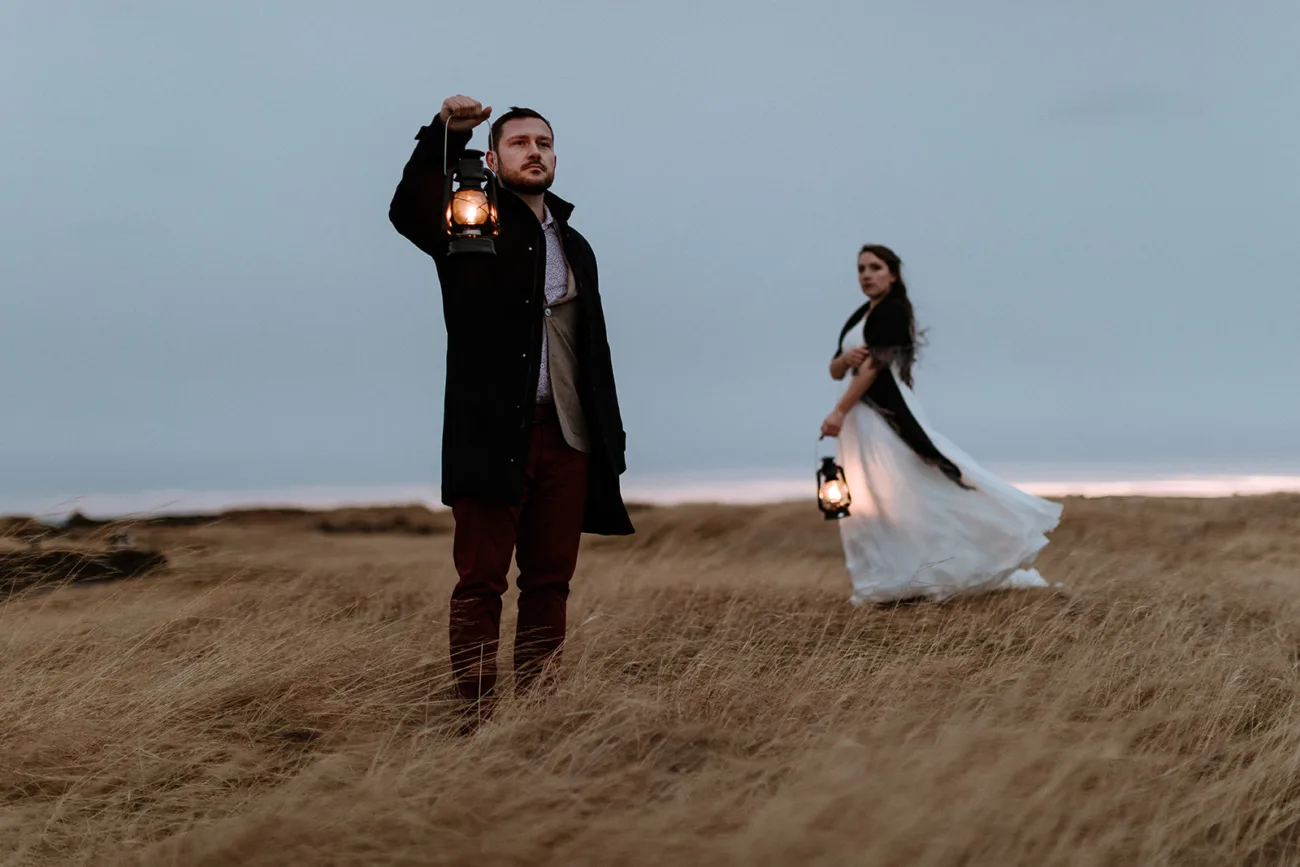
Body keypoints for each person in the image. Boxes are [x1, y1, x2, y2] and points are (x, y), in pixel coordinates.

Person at [388, 95, 634, 717]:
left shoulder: (576, 245)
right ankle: (474, 719)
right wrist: (444, 135)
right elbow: (405, 209)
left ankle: (538, 715)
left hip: (568, 436)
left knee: (550, 583)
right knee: (481, 585)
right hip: (493, 433)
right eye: (521, 143)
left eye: (544, 143)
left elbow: (590, 346)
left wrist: (609, 436)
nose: (535, 151)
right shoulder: (467, 224)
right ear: (493, 159)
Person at [820, 244, 1061, 605]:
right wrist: (843, 359)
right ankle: (883, 579)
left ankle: (943, 567)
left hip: (884, 418)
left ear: (893, 274)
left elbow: (873, 369)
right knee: (871, 500)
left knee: (910, 489)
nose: (866, 275)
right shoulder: (859, 315)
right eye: (861, 269)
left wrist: (838, 410)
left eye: (875, 267)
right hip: (860, 423)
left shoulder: (895, 311)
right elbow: (835, 369)